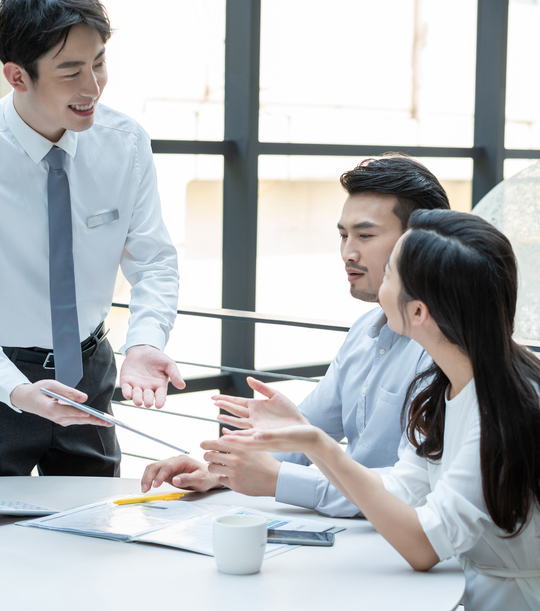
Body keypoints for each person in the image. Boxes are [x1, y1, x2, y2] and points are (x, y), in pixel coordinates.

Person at [217, 209, 540, 610]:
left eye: (389, 274)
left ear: (419, 312)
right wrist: (308, 438)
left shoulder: (508, 413)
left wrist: (320, 445)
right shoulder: (449, 384)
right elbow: (404, 489)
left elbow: (423, 548)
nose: (378, 282)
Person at [0, 0, 184, 478]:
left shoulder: (125, 143)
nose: (92, 89)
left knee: (96, 533)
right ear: (18, 76)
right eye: (70, 72)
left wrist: (147, 341)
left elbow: (153, 260)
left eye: (99, 63)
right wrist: (16, 389)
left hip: (91, 372)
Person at [141, 154, 450, 517]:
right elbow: (307, 435)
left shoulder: (445, 349)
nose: (347, 252)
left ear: (420, 244)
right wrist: (218, 470)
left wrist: (280, 481)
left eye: (365, 235)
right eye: (343, 235)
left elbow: (412, 490)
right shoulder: (363, 333)